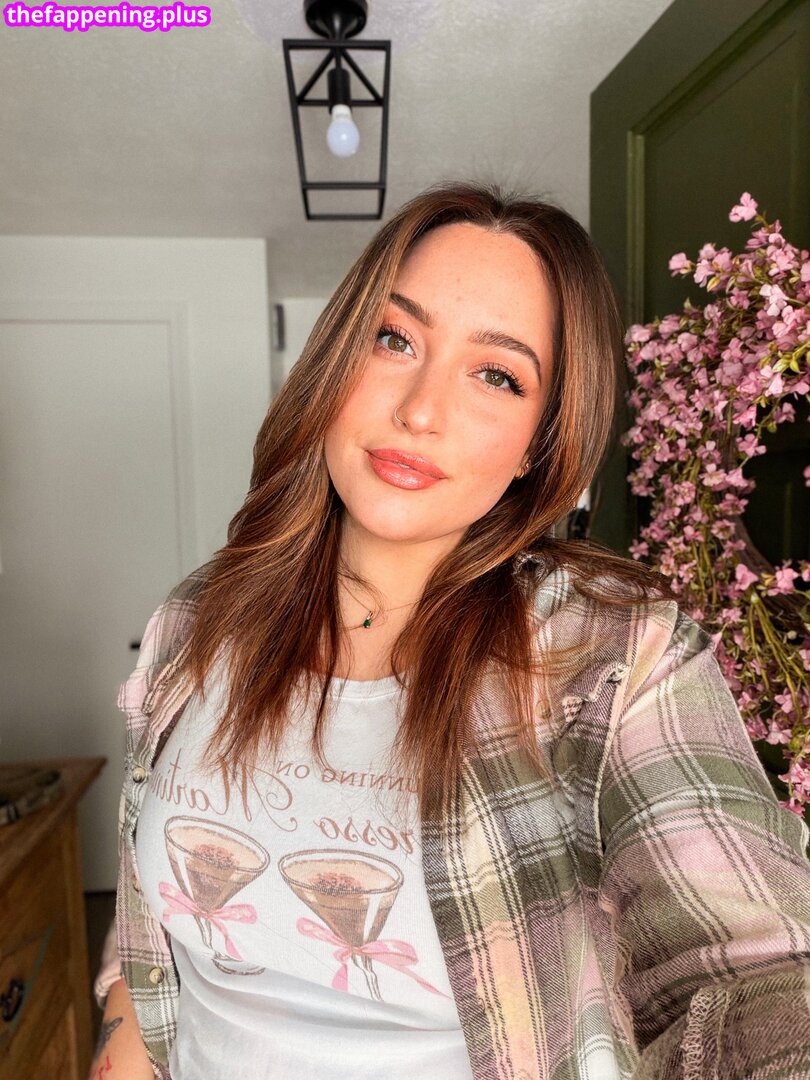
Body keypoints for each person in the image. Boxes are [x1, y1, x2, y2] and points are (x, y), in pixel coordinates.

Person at [91, 182, 810, 1080]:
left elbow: (755, 970)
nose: (420, 410)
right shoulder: (201, 617)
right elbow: (149, 916)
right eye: (394, 339)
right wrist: (120, 1042)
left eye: (496, 375)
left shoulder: (615, 657)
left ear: (540, 443)